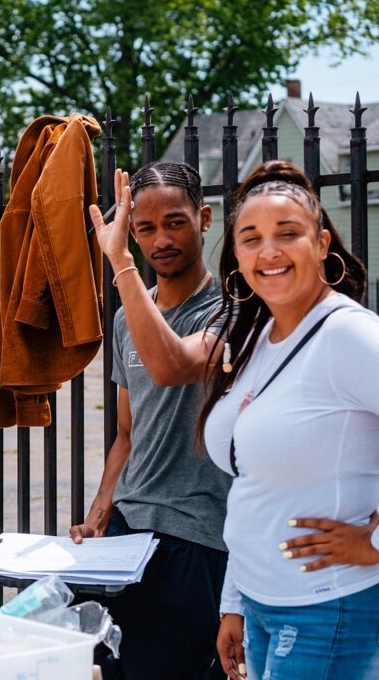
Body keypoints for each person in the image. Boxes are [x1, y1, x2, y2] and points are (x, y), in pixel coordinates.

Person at [198, 160, 379, 680]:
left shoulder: (346, 335)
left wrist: (372, 543)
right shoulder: (261, 339)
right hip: (262, 602)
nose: (268, 252)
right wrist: (234, 599)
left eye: (287, 234)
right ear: (236, 254)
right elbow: (254, 485)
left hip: (329, 606)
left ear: (321, 244)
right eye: (250, 238)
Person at [73, 162, 231, 680]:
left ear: (204, 218)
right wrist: (101, 510)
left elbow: (170, 367)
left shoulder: (233, 312)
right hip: (126, 531)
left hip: (197, 534)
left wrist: (118, 262)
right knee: (109, 666)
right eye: (144, 227)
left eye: (175, 222)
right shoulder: (125, 319)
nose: (160, 239)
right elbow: (126, 431)